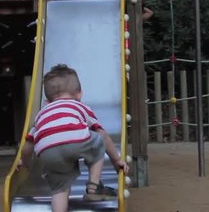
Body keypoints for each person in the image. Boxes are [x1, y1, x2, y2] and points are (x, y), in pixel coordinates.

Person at [19, 64, 129, 212]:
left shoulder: (41, 114)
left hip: (48, 152)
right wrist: (116, 160)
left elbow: (28, 145)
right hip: (76, 142)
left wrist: (25, 163)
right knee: (98, 140)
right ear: (79, 94)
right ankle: (93, 187)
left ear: (47, 102)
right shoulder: (80, 106)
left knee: (59, 189)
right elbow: (102, 134)